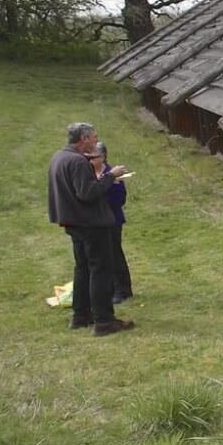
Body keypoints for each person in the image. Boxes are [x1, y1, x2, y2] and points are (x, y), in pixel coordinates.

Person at [47, 122, 134, 337]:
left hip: (73, 222)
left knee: (83, 269)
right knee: (100, 271)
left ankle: (81, 316)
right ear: (83, 139)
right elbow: (87, 192)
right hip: (91, 224)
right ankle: (104, 321)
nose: (96, 141)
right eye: (94, 137)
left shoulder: (59, 157)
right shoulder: (77, 162)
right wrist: (110, 176)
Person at [91, 142, 132, 303]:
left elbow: (119, 198)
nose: (90, 160)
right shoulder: (86, 173)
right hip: (93, 221)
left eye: (94, 157)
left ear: (103, 157)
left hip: (112, 220)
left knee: (114, 254)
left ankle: (122, 289)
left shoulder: (112, 174)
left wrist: (99, 199)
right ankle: (107, 288)